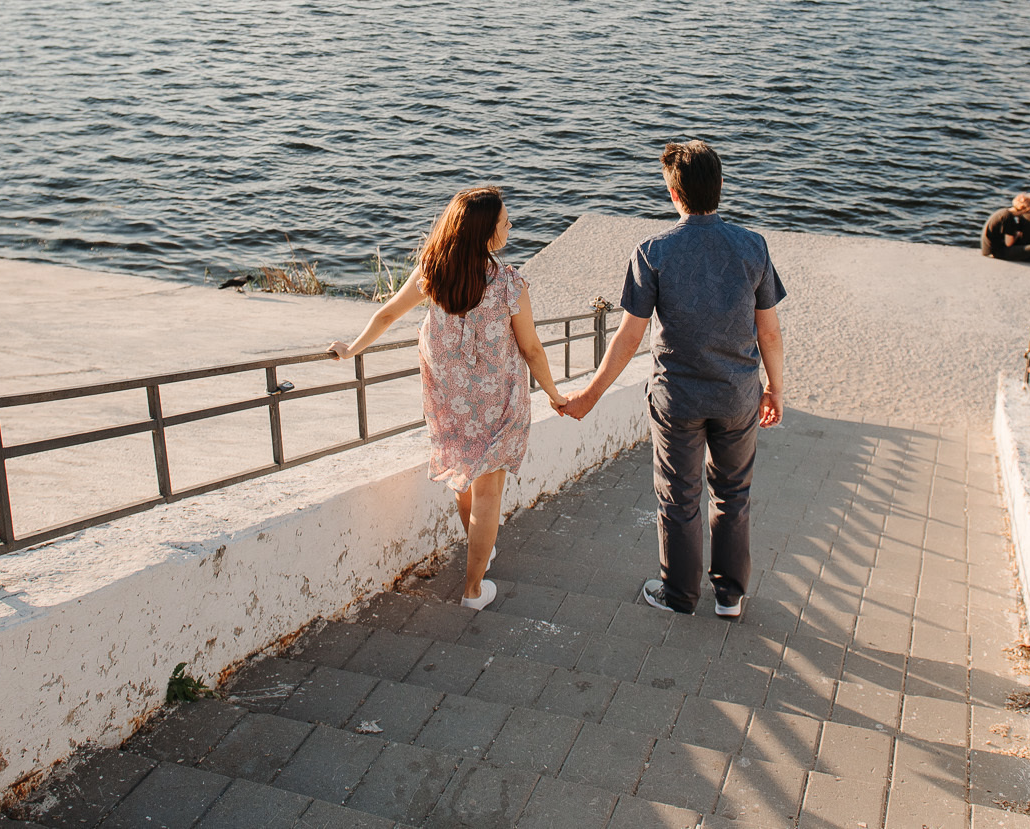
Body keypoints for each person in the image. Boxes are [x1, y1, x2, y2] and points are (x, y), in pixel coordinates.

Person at [558, 141, 787, 618]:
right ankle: (730, 596)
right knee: (733, 494)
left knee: (678, 496)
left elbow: (628, 338)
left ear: (673, 194)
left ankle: (680, 596)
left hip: (677, 399)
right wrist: (775, 388)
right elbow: (769, 329)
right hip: (737, 395)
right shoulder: (752, 246)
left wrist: (589, 395)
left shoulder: (653, 252)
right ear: (720, 187)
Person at [329, 186, 567, 611]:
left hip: (450, 400)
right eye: (504, 222)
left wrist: (352, 348)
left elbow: (387, 314)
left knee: (464, 477)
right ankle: (474, 590)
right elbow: (531, 348)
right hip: (497, 403)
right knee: (489, 490)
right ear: (485, 234)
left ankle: (482, 547)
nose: (510, 226)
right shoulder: (509, 284)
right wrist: (553, 393)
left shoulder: (433, 271)